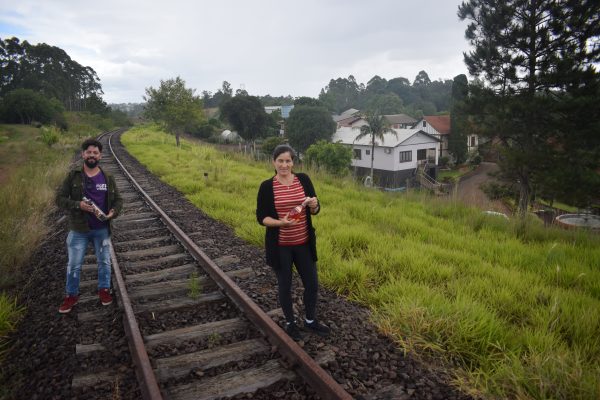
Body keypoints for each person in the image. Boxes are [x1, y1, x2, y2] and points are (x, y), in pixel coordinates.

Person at [256, 144, 330, 340]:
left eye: (288, 161)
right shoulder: (266, 186)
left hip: (304, 243)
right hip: (280, 246)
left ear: (293, 162)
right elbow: (262, 218)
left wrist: (314, 205)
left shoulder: (303, 180)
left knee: (312, 284)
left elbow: (315, 209)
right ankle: (290, 323)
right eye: (280, 160)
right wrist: (281, 222)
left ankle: (310, 320)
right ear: (273, 162)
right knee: (285, 286)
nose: (284, 165)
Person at [56, 139, 123, 314]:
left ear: (100, 155)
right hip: (79, 229)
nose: (92, 155)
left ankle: (104, 290)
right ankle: (71, 295)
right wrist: (78, 205)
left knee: (104, 262)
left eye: (95, 153)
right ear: (83, 154)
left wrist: (113, 212)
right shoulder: (73, 176)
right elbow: (60, 199)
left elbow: (118, 200)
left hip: (101, 229)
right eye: (88, 152)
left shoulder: (107, 177)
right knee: (74, 264)